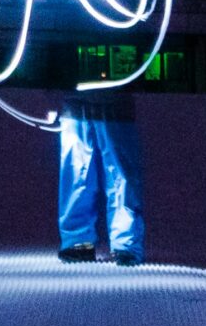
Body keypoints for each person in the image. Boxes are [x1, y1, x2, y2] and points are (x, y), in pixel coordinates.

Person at [56, 88, 144, 264]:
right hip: (86, 96)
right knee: (81, 170)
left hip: (106, 95)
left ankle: (119, 245)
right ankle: (121, 244)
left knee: (115, 172)